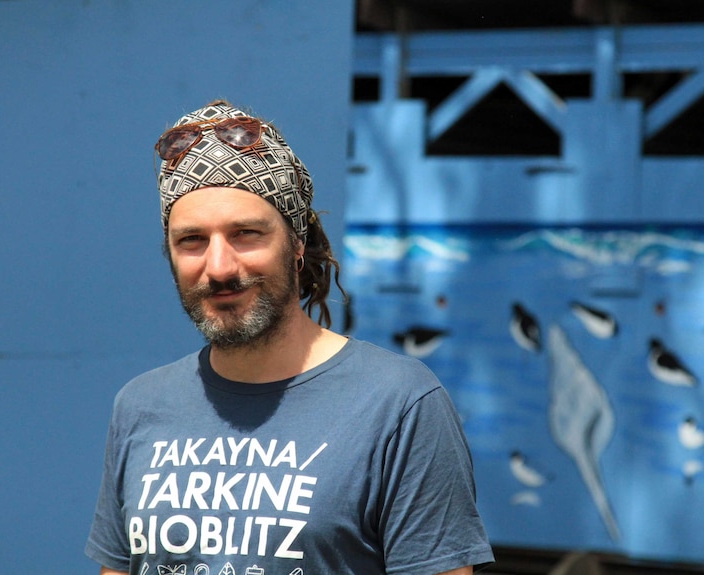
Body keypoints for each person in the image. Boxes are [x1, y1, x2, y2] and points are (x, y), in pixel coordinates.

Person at [85, 100, 494, 575]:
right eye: (191, 240)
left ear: (296, 245)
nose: (218, 267)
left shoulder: (399, 405)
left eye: (246, 234)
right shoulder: (140, 405)